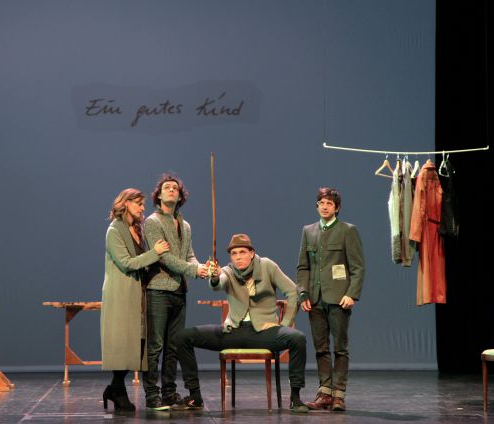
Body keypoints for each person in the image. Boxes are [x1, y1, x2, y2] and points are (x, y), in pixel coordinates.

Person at [174, 234, 309, 413]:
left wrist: (284, 324)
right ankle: (195, 396)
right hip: (234, 332)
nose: (238, 257)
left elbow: (292, 292)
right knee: (183, 337)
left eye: (242, 252)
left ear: (251, 253)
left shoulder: (267, 266)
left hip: (264, 333)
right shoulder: (228, 271)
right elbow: (218, 283)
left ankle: (295, 398)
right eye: (234, 253)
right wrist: (214, 277)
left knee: (298, 338)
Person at [142, 174, 209, 410]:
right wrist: (193, 270)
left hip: (180, 291)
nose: (171, 190)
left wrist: (202, 268)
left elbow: (188, 255)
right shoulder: (152, 222)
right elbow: (164, 258)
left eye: (175, 188)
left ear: (180, 196)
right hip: (158, 291)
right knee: (155, 346)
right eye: (166, 187)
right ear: (159, 195)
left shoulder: (185, 225)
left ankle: (169, 393)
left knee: (173, 346)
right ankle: (152, 395)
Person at [100, 188, 170, 411]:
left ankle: (115, 388)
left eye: (142, 204)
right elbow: (126, 263)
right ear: (126, 203)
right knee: (123, 343)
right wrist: (155, 253)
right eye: (138, 203)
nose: (142, 208)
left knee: (136, 343)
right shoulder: (114, 230)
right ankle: (118, 390)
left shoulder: (137, 229)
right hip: (121, 293)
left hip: (138, 292)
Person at [296, 187, 365, 412]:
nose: (325, 207)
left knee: (340, 348)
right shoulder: (308, 231)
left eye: (329, 204)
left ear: (337, 208)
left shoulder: (347, 230)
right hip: (315, 299)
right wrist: (303, 293)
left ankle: (339, 395)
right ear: (317, 206)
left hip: (339, 299)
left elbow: (357, 267)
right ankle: (325, 393)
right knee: (321, 348)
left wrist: (351, 294)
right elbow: (303, 267)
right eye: (321, 203)